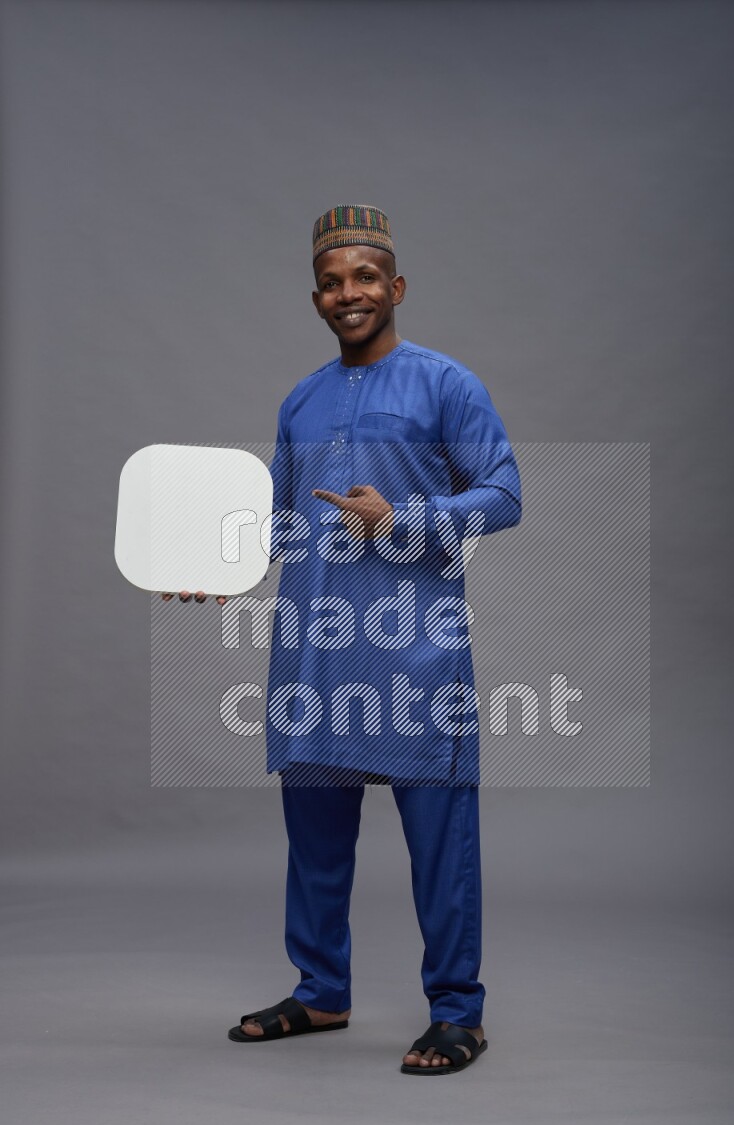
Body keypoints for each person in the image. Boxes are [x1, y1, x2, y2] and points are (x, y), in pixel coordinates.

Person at [166, 205, 522, 1073]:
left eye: (364, 277)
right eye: (332, 282)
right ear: (316, 298)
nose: (348, 293)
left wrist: (407, 516)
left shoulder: (445, 386)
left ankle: (457, 1012)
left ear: (394, 287)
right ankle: (321, 991)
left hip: (414, 654)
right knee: (315, 841)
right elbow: (286, 526)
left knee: (440, 841)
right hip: (315, 652)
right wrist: (220, 567)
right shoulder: (302, 400)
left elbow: (506, 494)